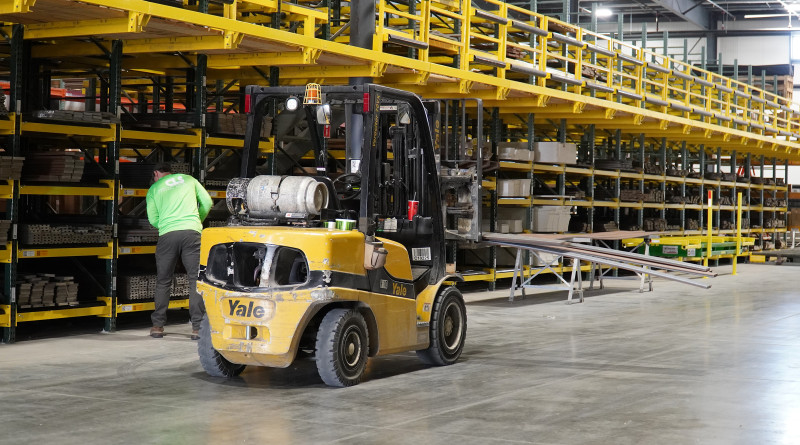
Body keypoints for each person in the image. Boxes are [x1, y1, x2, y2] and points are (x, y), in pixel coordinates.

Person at [146, 163, 213, 340]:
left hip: (167, 235)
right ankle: (197, 328)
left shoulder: (154, 189)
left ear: (156, 173)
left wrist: (168, 226)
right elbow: (207, 202)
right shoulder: (189, 180)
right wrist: (196, 221)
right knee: (195, 280)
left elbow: (153, 219)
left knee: (163, 280)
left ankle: (158, 326)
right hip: (192, 233)